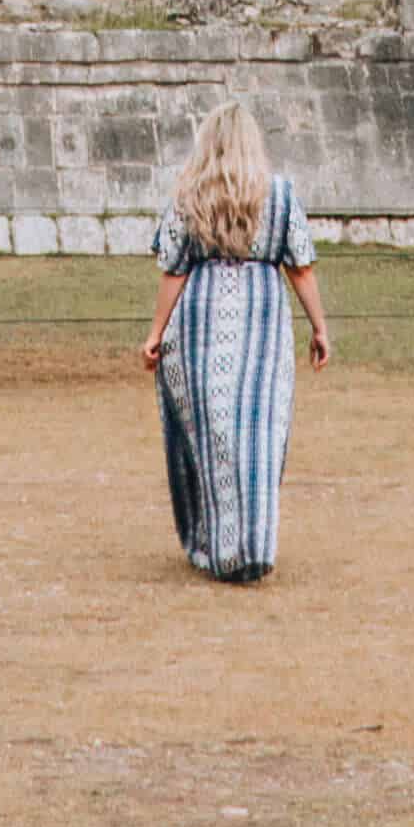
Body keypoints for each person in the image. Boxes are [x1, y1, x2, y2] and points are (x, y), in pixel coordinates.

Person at [140, 100, 329, 583]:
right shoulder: (281, 195)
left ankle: (212, 545)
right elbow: (300, 267)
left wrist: (156, 333)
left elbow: (173, 268)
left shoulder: (189, 197)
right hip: (262, 319)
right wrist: (319, 326)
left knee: (210, 437)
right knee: (258, 435)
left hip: (199, 318)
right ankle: (253, 549)